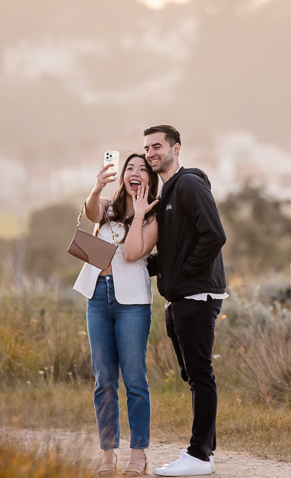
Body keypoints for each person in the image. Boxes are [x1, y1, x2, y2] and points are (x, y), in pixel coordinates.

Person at [143, 125, 227, 477]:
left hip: (196, 294)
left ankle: (198, 455)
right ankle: (206, 451)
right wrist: (128, 265)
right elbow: (174, 251)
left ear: (176, 148)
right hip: (180, 296)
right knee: (192, 375)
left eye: (157, 146)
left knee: (200, 374)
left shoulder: (189, 184)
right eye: (147, 148)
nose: (151, 153)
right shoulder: (166, 195)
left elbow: (214, 236)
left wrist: (183, 275)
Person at [73, 153, 160, 476]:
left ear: (150, 179)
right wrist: (96, 189)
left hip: (132, 303)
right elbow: (91, 211)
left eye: (143, 169)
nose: (135, 173)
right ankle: (108, 454)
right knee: (104, 380)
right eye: (130, 168)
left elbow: (134, 252)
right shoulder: (108, 205)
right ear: (123, 175)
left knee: (135, 379)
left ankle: (138, 454)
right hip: (97, 296)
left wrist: (138, 215)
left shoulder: (153, 215)